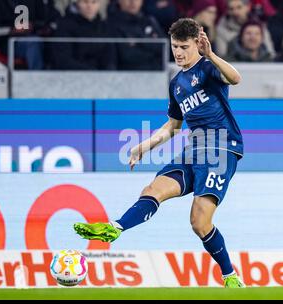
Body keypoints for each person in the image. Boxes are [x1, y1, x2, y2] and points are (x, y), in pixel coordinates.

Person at [74, 18, 245, 288]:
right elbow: (173, 126)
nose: (178, 52)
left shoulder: (209, 67)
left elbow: (236, 79)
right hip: (194, 149)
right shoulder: (176, 83)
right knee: (153, 188)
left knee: (199, 223)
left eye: (184, 46)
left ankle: (230, 276)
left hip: (221, 148)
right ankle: (115, 228)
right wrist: (143, 146)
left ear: (196, 45)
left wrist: (210, 54)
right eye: (174, 46)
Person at [0, 0, 60, 69]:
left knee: (60, 41)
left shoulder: (38, 2)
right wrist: (11, 30)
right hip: (7, 43)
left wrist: (45, 28)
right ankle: (37, 80)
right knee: (33, 42)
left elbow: (54, 20)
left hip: (40, 39)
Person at [51, 0, 117, 70]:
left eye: (94, 2)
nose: (89, 6)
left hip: (103, 76)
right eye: (85, 2)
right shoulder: (64, 26)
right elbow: (63, 60)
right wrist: (91, 72)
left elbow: (110, 57)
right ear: (77, 3)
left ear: (99, 4)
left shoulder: (104, 27)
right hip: (73, 76)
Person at [108, 0, 166, 70]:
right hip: (127, 76)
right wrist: (151, 47)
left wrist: (138, 42)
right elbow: (127, 56)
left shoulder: (150, 21)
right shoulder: (111, 25)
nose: (133, 2)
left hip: (157, 75)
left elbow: (164, 48)